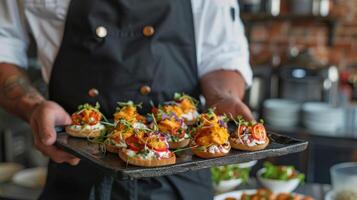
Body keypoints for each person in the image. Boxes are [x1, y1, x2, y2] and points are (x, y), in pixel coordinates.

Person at [0, 0, 254, 199]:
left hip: (182, 174)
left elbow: (222, 55)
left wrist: (222, 98)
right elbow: (4, 45)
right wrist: (33, 106)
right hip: (75, 167)